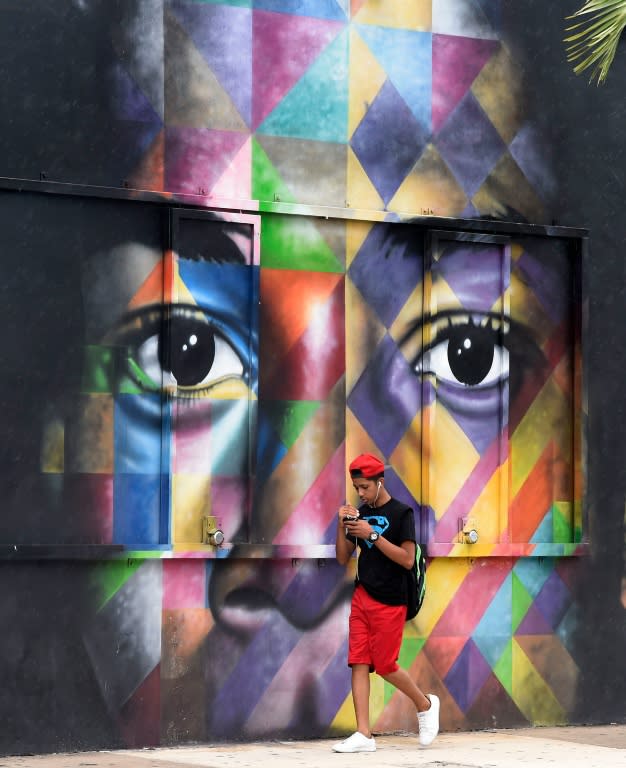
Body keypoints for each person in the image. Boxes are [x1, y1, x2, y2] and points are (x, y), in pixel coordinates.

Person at [332, 453, 440, 753]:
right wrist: (342, 525)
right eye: (357, 487)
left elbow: (407, 559)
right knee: (358, 662)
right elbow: (343, 558)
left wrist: (373, 534)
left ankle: (426, 704)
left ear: (380, 482)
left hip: (391, 600)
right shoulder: (361, 513)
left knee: (385, 665)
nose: (361, 493)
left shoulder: (402, 513)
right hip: (362, 596)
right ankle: (364, 734)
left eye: (365, 487)